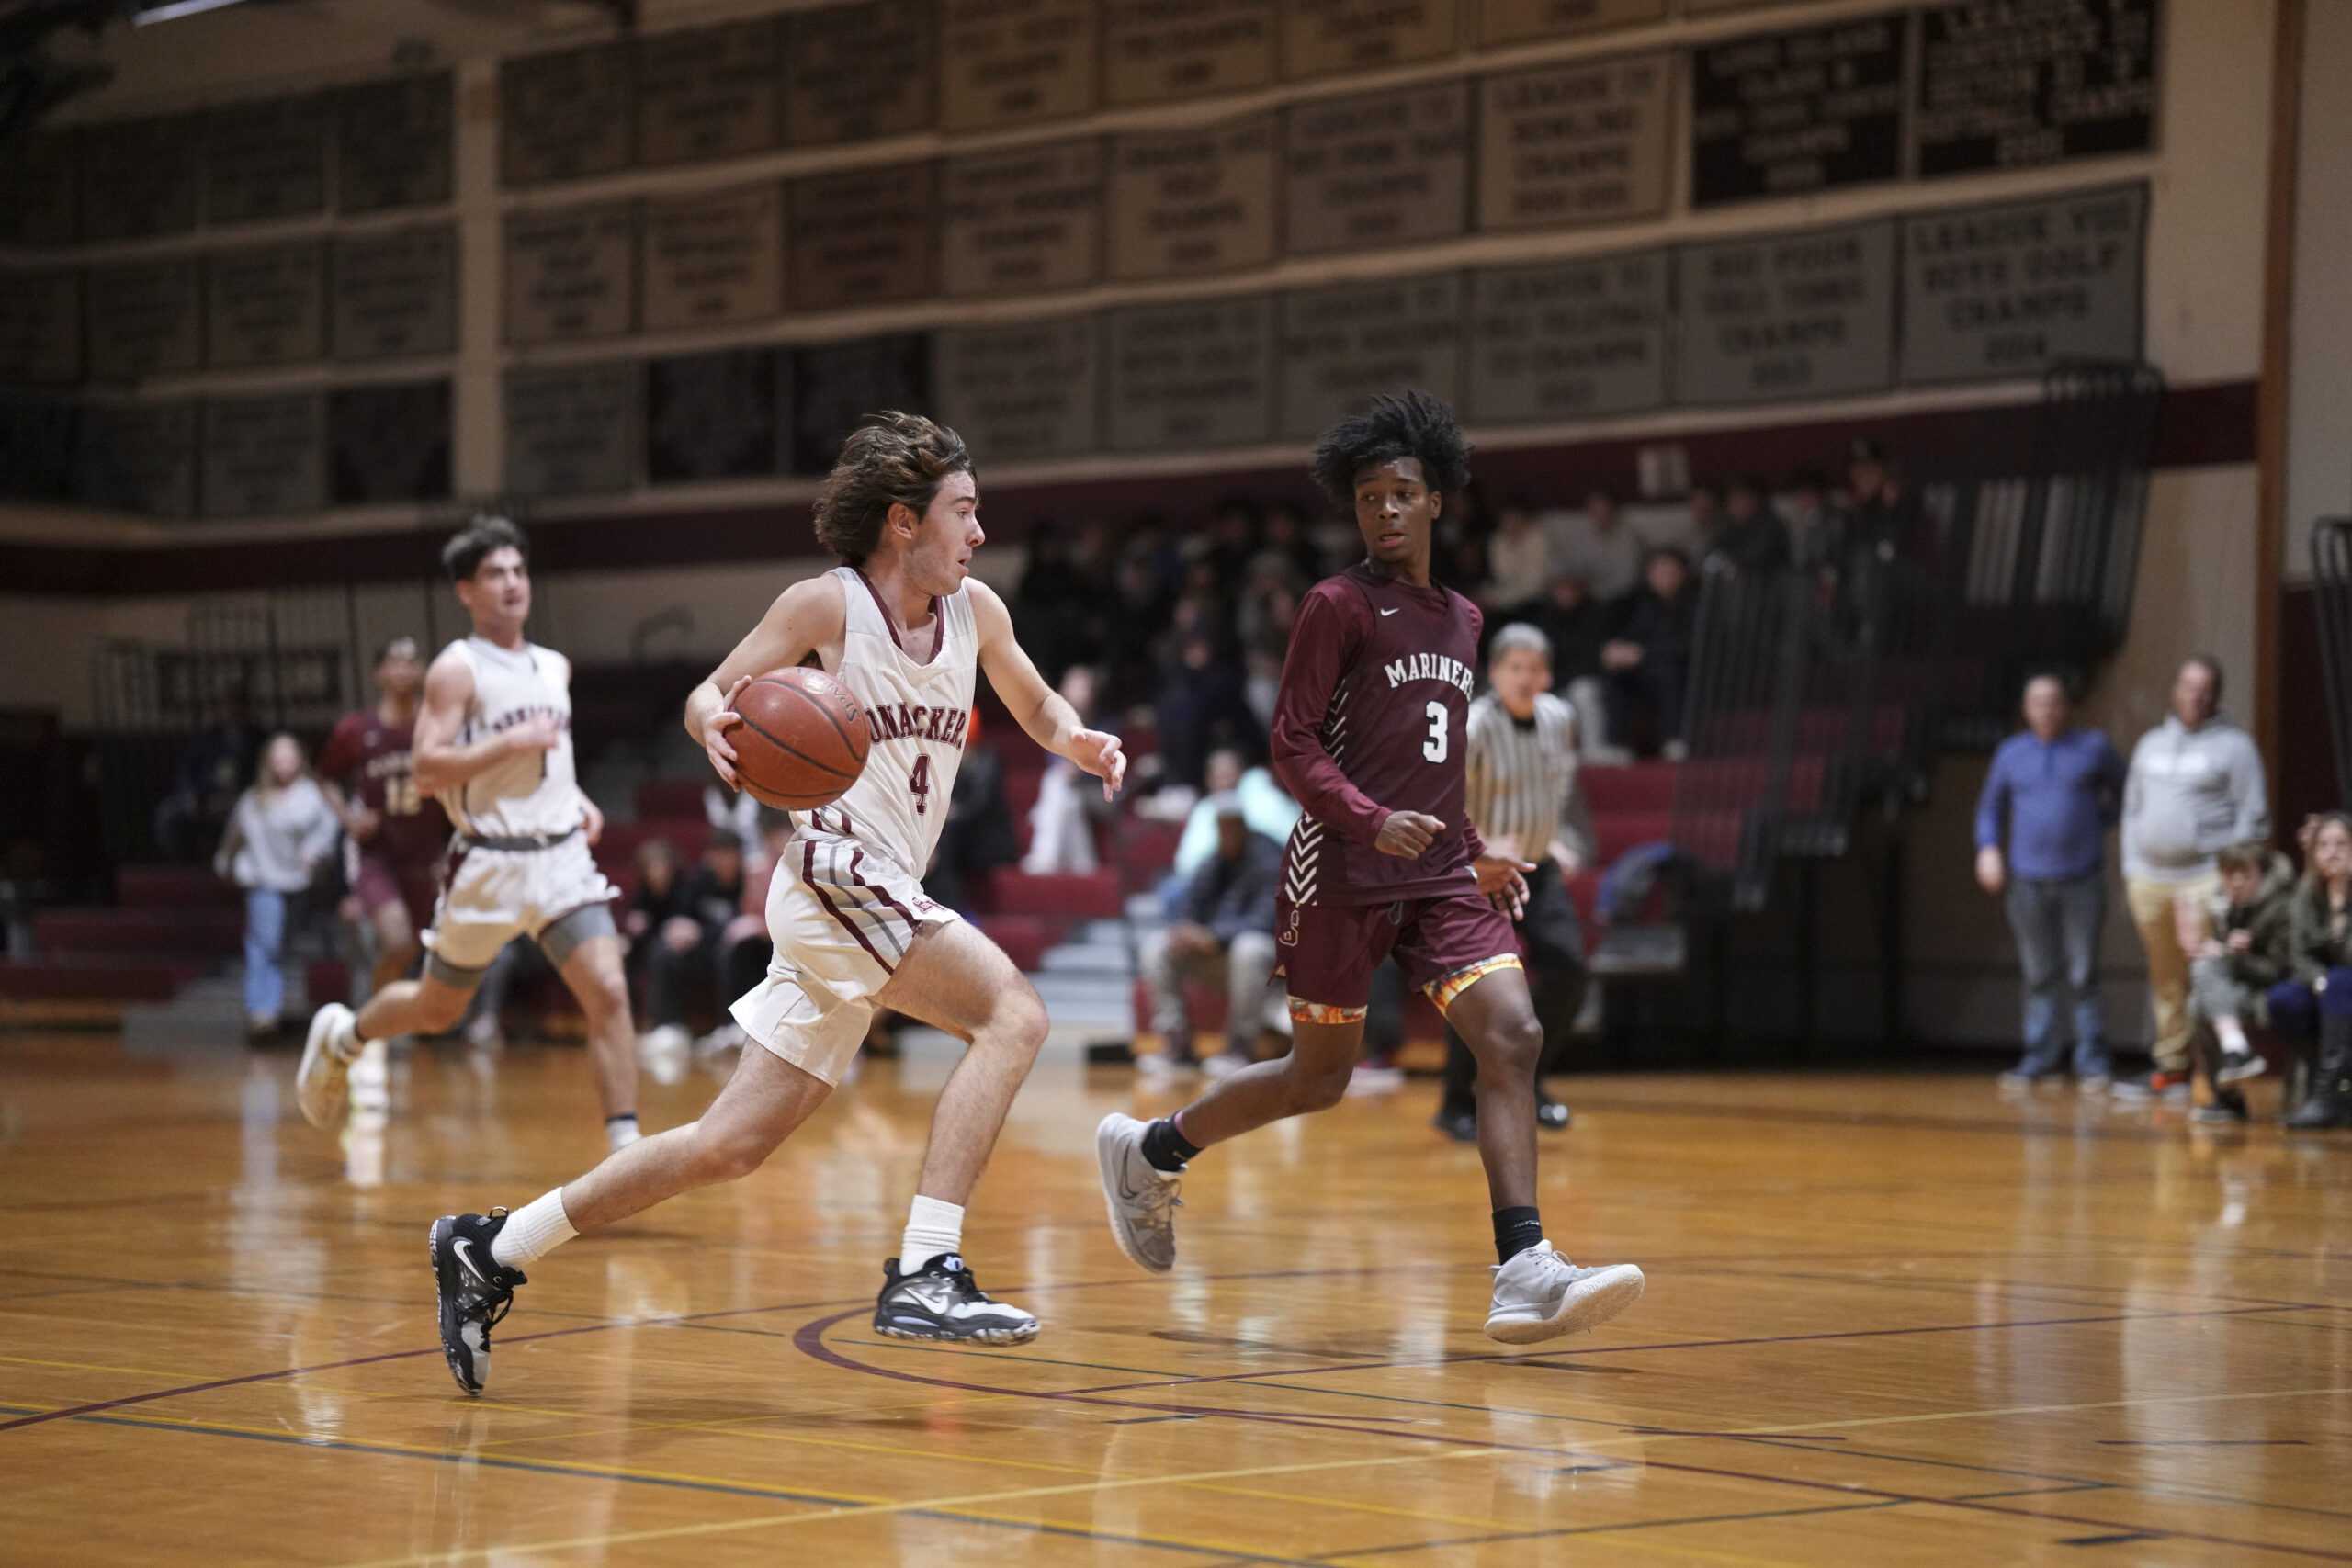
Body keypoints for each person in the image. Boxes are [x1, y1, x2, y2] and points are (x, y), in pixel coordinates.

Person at [424, 412, 1126, 1395]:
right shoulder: (824, 607)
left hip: (876, 894)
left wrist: (1081, 741)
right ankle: (928, 1269)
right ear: (901, 523)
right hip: (834, 872)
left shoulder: (979, 615)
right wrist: (717, 725)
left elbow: (1038, 706)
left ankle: (491, 1248)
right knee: (1015, 1014)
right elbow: (710, 692)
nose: (976, 533)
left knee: (728, 1146)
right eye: (963, 512)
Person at [1097, 390, 1644, 1346]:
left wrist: (1470, 854)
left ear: (1436, 501)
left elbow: (1431, 767)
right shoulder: (1335, 605)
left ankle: (1522, 1266)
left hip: (1432, 875)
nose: (1383, 511)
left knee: (1511, 1034)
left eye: (1400, 494)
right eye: (1366, 498)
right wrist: (1364, 817)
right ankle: (1154, 1149)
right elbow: (1292, 742)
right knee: (1318, 1082)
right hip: (1336, 874)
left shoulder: (1465, 620)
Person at [296, 516, 641, 1157]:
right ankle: (346, 1035)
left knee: (610, 990)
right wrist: (508, 740)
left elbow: (549, 754)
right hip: (489, 862)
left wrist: (576, 797)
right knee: (437, 1009)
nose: (511, 583)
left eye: (518, 570)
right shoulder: (457, 669)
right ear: (465, 591)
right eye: (494, 574)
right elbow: (427, 769)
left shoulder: (553, 666)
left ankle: (627, 1146)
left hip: (561, 856)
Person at [1434, 624, 1589, 1143]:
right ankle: (1457, 1101)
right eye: (1514, 668)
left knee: (1568, 970)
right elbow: (1443, 796)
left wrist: (1556, 835)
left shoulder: (1560, 717)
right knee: (1477, 989)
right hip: (1480, 874)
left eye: (1534, 669)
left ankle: (1531, 1084)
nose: (1525, 678)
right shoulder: (1473, 725)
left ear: (1546, 675)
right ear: (1495, 673)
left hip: (1538, 870)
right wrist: (1478, 849)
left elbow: (1558, 784)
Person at [2112, 656, 2270, 1106]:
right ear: (2175, 689)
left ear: (2216, 695)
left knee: (2207, 974)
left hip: (2204, 880)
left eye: (2204, 688)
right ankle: (2173, 1069)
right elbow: (2132, 811)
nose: (2194, 695)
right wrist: (2131, 871)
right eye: (2187, 685)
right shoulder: (2150, 745)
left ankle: (2221, 1080)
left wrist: (2231, 882)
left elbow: (2252, 817)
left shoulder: (2236, 747)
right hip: (2149, 882)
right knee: (2165, 980)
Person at [1972, 672, 2127, 1089]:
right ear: (2026, 708)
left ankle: (2092, 1060)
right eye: (2038, 701)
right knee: (2038, 974)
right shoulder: (2010, 753)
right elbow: (1989, 810)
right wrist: (1988, 848)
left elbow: (2128, 791)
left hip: (2082, 878)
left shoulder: (2093, 747)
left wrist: (2100, 823)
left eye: (2054, 700)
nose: (2047, 709)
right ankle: (2039, 1057)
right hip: (2027, 882)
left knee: (2083, 973)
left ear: (2067, 705)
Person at [318, 636, 448, 999]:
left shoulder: (437, 724)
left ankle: (383, 1019)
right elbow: (325, 777)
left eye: (412, 661)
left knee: (412, 946)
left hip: (425, 853)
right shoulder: (356, 728)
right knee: (397, 940)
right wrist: (348, 819)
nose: (404, 669)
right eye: (395, 661)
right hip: (377, 852)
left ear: (423, 670)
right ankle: (373, 1023)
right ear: (379, 673)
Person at [1140, 792, 1286, 1078]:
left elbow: (1265, 920)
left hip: (1270, 968)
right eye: (1220, 826)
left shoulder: (1270, 858)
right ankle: (1178, 1043)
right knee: (1157, 946)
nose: (1225, 832)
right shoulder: (1214, 859)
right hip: (1217, 956)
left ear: (1244, 824)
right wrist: (1183, 929)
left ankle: (1241, 1045)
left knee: (1250, 948)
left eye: (1231, 825)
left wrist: (1210, 936)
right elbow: (1188, 904)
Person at [215, 732, 338, 1041]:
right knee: (264, 944)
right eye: (278, 757)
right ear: (269, 762)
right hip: (263, 881)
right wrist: (227, 865)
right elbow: (234, 834)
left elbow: (328, 829)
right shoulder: (254, 798)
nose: (284, 762)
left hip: (296, 882)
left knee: (280, 946)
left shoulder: (312, 796)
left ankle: (271, 1008)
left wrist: (314, 852)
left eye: (289, 756)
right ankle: (262, 1013)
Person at [2180, 840, 2297, 1122]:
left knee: (2201, 995)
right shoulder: (2223, 904)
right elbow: (2222, 963)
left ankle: (2228, 1087)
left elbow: (2282, 971)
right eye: (2229, 875)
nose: (2237, 882)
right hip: (2234, 989)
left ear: (2262, 874)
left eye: (2246, 874)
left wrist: (2236, 957)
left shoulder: (2284, 905)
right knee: (2198, 997)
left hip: (2275, 989)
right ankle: (2234, 1058)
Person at [2272, 812, 2352, 1129]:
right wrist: (2320, 982)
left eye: (2341, 844)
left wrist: (2340, 903)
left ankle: (2325, 1098)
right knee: (2284, 999)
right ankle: (2332, 1087)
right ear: (2313, 853)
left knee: (2341, 980)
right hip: (2323, 989)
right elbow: (2297, 956)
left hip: (2346, 986)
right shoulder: (2305, 892)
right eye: (2323, 845)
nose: (2332, 852)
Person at [638, 827, 746, 1057]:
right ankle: (668, 1028)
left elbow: (744, 923)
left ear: (739, 856)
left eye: (730, 854)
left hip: (732, 952)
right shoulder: (700, 880)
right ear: (711, 856)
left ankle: (729, 1028)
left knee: (731, 952)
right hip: (700, 951)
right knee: (663, 950)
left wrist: (702, 932)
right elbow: (682, 915)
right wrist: (679, 928)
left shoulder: (748, 882)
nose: (725, 860)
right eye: (719, 853)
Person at [1600, 547, 1697, 757]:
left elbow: (1690, 645)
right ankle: (1616, 745)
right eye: (1657, 571)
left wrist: (1643, 653)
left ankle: (1676, 741)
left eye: (1669, 571)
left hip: (1686, 675)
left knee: (1669, 672)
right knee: (1617, 674)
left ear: (1683, 573)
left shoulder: (1696, 603)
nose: (1662, 577)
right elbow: (1632, 637)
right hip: (1648, 673)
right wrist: (1618, 650)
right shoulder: (1642, 604)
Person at [153, 692, 261, 863]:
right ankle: (182, 869)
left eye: (237, 707)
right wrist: (191, 797)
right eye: (227, 707)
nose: (232, 712)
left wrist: (234, 800)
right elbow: (186, 771)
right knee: (168, 815)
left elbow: (260, 779)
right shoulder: (206, 737)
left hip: (237, 802)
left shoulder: (258, 740)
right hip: (201, 800)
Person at [1544, 485, 1645, 607]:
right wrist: (1563, 585)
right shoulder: (1578, 536)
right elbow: (1563, 563)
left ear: (1614, 511)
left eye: (1604, 509)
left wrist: (1587, 591)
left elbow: (1626, 582)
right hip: (1579, 597)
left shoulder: (1629, 538)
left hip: (1616, 599)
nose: (1599, 514)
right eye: (1594, 510)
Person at [1708, 476, 1792, 574]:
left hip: (1772, 581)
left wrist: (1730, 558)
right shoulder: (1728, 525)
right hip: (1738, 583)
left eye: (1744, 498)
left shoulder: (1771, 524)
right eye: (1734, 500)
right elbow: (1712, 552)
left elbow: (1756, 556)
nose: (1740, 505)